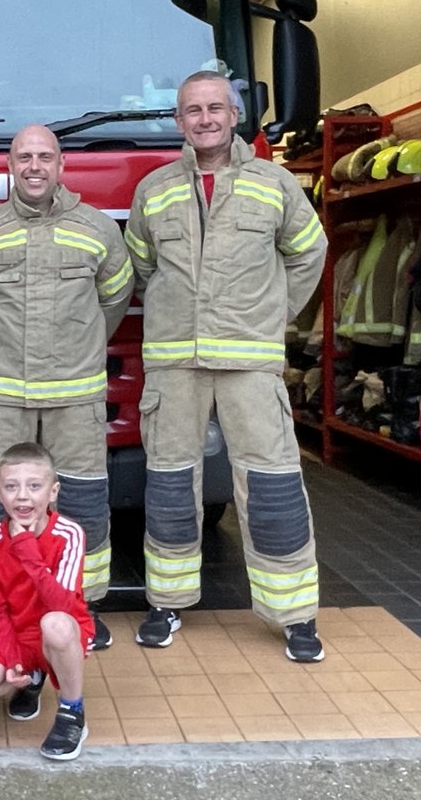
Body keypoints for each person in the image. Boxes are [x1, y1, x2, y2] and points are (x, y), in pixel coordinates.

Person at [124, 70, 328, 662]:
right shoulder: (154, 189)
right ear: (179, 120)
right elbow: (141, 265)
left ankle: (294, 615)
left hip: (249, 360)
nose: (205, 118)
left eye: (216, 108)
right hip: (174, 362)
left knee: (272, 483)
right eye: (193, 110)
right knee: (167, 481)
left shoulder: (275, 183)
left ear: (235, 115)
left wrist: (273, 314)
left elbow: (309, 251)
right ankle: (166, 602)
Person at [0, 125, 133, 651]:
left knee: (82, 502)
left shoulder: (98, 229)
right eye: (25, 156)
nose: (35, 166)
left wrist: (78, 343)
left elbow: (114, 298)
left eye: (45, 157)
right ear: (10, 165)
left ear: (61, 165)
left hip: (75, 394)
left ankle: (83, 607)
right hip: (1, 395)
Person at [0, 442, 93, 761]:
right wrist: (12, 658)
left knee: (55, 625)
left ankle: (72, 712)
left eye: (35, 486)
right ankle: (29, 678)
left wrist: (26, 550)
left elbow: (61, 603)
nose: (23, 496)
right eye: (11, 487)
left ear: (53, 491)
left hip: (60, 630)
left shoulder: (69, 533)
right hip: (17, 633)